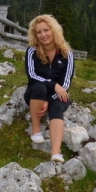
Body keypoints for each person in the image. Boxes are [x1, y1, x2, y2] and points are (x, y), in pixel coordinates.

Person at [24, 14, 75, 163]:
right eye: (39, 32)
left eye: (46, 30)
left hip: (58, 94)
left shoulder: (67, 53)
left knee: (57, 107)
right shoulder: (32, 51)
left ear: (54, 30)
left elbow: (66, 83)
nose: (43, 35)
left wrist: (50, 99)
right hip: (35, 92)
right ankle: (35, 130)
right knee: (39, 87)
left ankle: (56, 153)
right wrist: (53, 85)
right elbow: (32, 75)